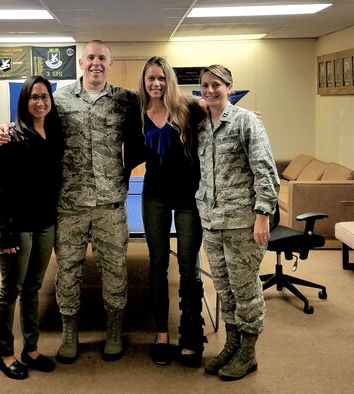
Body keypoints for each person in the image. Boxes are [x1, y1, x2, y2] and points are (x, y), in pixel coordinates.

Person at [0, 40, 142, 363]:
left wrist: (203, 105)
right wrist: (3, 128)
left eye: (102, 58)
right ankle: (70, 332)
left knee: (115, 270)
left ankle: (113, 331)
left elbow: (164, 103)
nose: (96, 63)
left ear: (110, 63)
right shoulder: (58, 99)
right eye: (90, 57)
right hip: (69, 204)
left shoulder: (126, 100)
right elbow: (30, 121)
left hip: (110, 204)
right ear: (81, 62)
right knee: (68, 272)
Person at [195, 65, 279, 381]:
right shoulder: (201, 124)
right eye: (205, 85)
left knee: (246, 290)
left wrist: (262, 216)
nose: (210, 90)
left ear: (230, 87)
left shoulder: (246, 122)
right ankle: (231, 344)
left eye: (217, 85)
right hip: (212, 223)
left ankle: (249, 352)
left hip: (243, 223)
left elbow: (266, 172)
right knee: (224, 290)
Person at [135, 57, 206, 367]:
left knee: (189, 267)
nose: (156, 83)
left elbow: (221, 116)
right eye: (151, 78)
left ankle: (191, 335)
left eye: (161, 78)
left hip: (188, 198)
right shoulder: (137, 112)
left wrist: (249, 116)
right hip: (154, 198)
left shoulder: (189, 108)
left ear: (169, 80)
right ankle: (162, 334)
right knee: (157, 265)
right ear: (144, 81)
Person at [0, 75, 63, 379]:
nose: (40, 102)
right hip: (17, 225)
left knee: (33, 288)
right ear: (24, 101)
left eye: (45, 96)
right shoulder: (11, 136)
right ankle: (5, 354)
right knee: (11, 289)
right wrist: (6, 229)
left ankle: (30, 349)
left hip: (45, 222)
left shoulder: (54, 132)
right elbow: (2, 186)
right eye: (34, 97)